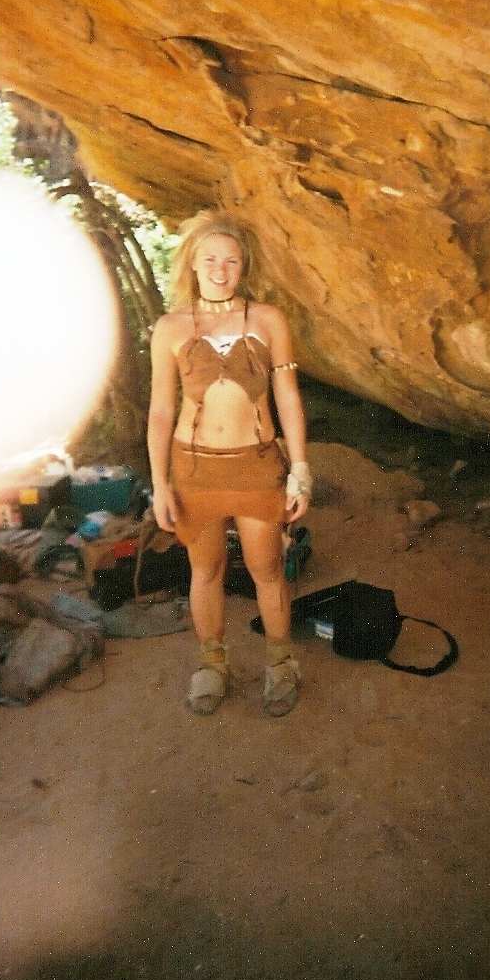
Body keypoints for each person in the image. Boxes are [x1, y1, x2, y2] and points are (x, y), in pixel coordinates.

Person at [147, 211, 311, 716]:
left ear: (244, 267)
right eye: (211, 259)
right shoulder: (170, 328)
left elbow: (287, 396)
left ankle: (280, 663)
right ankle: (212, 665)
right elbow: (161, 410)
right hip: (194, 468)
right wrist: (160, 484)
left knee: (267, 568)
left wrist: (300, 468)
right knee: (207, 568)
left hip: (256, 463)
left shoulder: (267, 320)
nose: (221, 270)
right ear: (192, 264)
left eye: (232, 261)